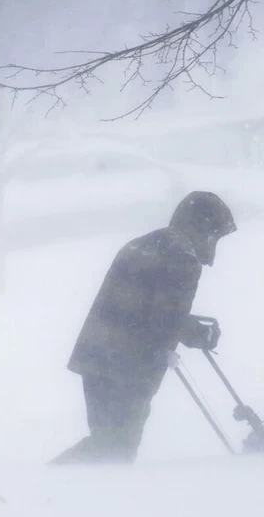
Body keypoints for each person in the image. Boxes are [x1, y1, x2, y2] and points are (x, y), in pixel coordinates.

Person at [50, 191, 237, 465]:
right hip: (128, 366)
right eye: (214, 235)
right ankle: (47, 484)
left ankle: (68, 494)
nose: (212, 247)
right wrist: (199, 334)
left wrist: (188, 327)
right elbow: (165, 318)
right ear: (203, 228)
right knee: (115, 448)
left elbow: (149, 307)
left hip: (96, 357)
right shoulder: (183, 256)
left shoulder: (145, 244)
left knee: (108, 443)